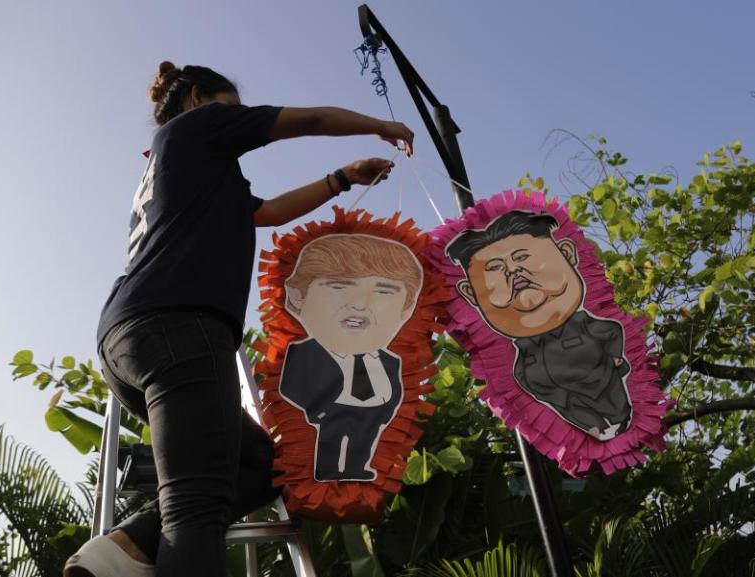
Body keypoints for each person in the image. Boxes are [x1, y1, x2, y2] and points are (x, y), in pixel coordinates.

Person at [63, 61, 413, 577]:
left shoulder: (183, 169)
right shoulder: (196, 126)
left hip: (130, 340)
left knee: (264, 464)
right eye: (232, 106)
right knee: (196, 506)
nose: (240, 117)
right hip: (181, 327)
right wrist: (381, 125)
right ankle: (142, 542)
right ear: (198, 97)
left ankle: (130, 542)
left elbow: (266, 213)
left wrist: (341, 179)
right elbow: (310, 119)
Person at [445, 210, 632, 441]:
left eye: (522, 257)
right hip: (559, 396)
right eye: (494, 268)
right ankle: (598, 429)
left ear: (567, 253)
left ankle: (620, 421)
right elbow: (524, 380)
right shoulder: (522, 361)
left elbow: (611, 331)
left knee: (617, 408)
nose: (513, 271)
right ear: (470, 293)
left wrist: (615, 357)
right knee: (582, 417)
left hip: (602, 381)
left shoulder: (586, 325)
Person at [278, 234, 423, 481]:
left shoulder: (391, 362)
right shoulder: (303, 354)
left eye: (384, 291)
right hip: (330, 413)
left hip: (373, 413)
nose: (360, 304)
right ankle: (326, 470)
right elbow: (290, 385)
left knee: (363, 444)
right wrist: (320, 412)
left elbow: (395, 391)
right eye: (339, 286)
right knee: (330, 444)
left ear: (407, 309)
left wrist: (383, 415)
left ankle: (357, 469)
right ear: (296, 297)